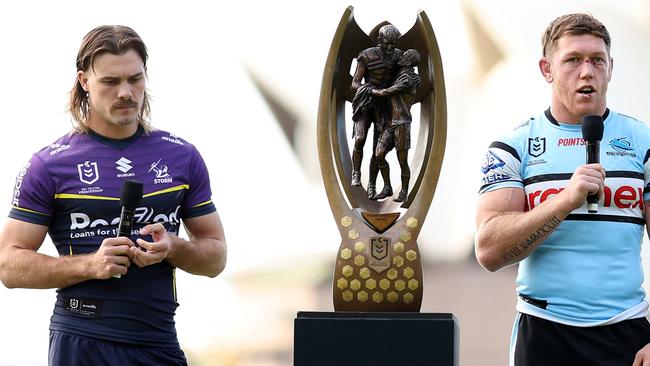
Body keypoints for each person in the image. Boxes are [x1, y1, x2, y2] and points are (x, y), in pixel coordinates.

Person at [0, 25, 227, 365]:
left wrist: (174, 247)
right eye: (110, 82)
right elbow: (8, 265)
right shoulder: (48, 165)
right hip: (82, 340)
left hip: (158, 342)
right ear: (84, 81)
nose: (125, 92)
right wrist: (91, 264)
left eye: (135, 79)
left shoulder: (181, 156)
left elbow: (216, 258)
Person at [475, 13, 650, 366]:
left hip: (626, 333)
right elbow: (489, 250)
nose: (587, 72)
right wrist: (563, 202)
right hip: (543, 333)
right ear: (547, 69)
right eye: (572, 60)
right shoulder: (513, 146)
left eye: (597, 60)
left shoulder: (642, 142)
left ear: (611, 68)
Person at [351, 24, 403, 200]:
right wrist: (371, 90)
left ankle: (372, 184)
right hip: (366, 102)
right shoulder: (367, 55)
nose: (390, 47)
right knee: (360, 138)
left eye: (393, 44)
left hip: (385, 106)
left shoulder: (398, 56)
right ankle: (356, 172)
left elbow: (406, 75)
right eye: (387, 43)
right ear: (380, 40)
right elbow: (355, 83)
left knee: (377, 148)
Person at [371, 49, 421, 202]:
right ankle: (387, 187)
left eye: (405, 55)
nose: (402, 56)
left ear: (409, 61)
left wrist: (371, 90)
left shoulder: (407, 78)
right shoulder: (401, 74)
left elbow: (387, 91)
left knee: (402, 160)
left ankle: (404, 191)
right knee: (379, 154)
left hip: (402, 124)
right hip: (391, 123)